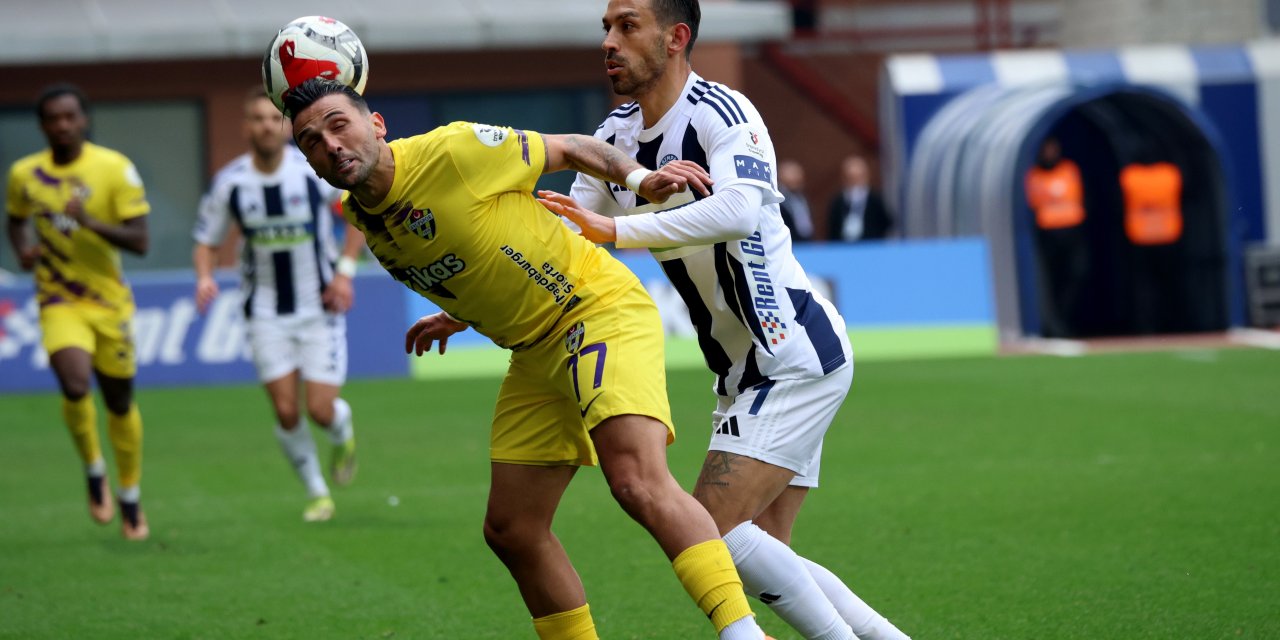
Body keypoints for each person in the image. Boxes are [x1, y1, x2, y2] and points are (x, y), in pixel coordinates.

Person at [282, 77, 770, 640]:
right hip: (534, 353)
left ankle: (743, 634)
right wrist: (460, 313)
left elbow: (570, 147)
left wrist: (642, 179)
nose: (330, 145)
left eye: (338, 124)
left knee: (635, 480)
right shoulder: (364, 218)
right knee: (512, 529)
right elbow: (478, 245)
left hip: (593, 308)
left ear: (376, 124)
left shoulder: (452, 150)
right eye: (311, 141)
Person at [538, 2, 911, 638]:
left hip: (791, 351)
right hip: (741, 372)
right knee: (765, 545)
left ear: (676, 37)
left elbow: (738, 211)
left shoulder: (725, 114)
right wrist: (459, 306)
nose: (609, 41)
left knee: (708, 529)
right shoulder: (617, 136)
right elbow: (565, 237)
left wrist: (619, 228)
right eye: (606, 26)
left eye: (628, 26)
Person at [193, 87, 364, 522]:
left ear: (284, 126)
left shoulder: (311, 172)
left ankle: (342, 433)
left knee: (320, 410)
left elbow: (357, 214)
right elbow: (207, 240)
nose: (266, 126)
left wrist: (344, 273)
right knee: (286, 411)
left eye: (273, 119)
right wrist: (206, 277)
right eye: (256, 119)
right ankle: (317, 493)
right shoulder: (231, 183)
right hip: (264, 311)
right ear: (246, 127)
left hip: (318, 306)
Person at [4, 84, 151, 540]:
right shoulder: (25, 174)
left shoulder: (114, 169)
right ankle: (93, 470)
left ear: (83, 120)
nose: (63, 125)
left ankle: (129, 496)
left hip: (109, 303)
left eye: (70, 117)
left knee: (119, 402)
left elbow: (141, 241)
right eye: (53, 118)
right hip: (58, 299)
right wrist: (24, 250)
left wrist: (89, 222)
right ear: (43, 125)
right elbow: (15, 218)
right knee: (73, 383)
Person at [1024, 137, 1089, 338]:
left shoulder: (1069, 169)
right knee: (1051, 281)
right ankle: (1054, 324)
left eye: (1054, 149)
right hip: (1049, 236)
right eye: (1047, 150)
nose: (1050, 153)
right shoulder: (1034, 175)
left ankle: (1065, 319)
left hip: (1073, 233)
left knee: (1077, 275)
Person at [1119, 155, 1184, 334]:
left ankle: (1147, 328)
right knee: (1168, 287)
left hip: (1140, 238)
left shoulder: (1130, 176)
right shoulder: (1170, 174)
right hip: (1167, 237)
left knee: (1145, 289)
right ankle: (1172, 325)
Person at [827, 155, 892, 242]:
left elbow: (886, 221)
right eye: (851, 178)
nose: (855, 182)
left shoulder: (875, 199)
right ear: (844, 179)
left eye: (858, 178)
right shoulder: (838, 201)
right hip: (844, 247)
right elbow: (832, 226)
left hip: (871, 245)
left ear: (866, 177)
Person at [777, 159, 814, 244]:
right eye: (793, 174)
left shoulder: (802, 198)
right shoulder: (776, 200)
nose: (798, 177)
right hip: (787, 244)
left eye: (799, 173)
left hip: (806, 244)